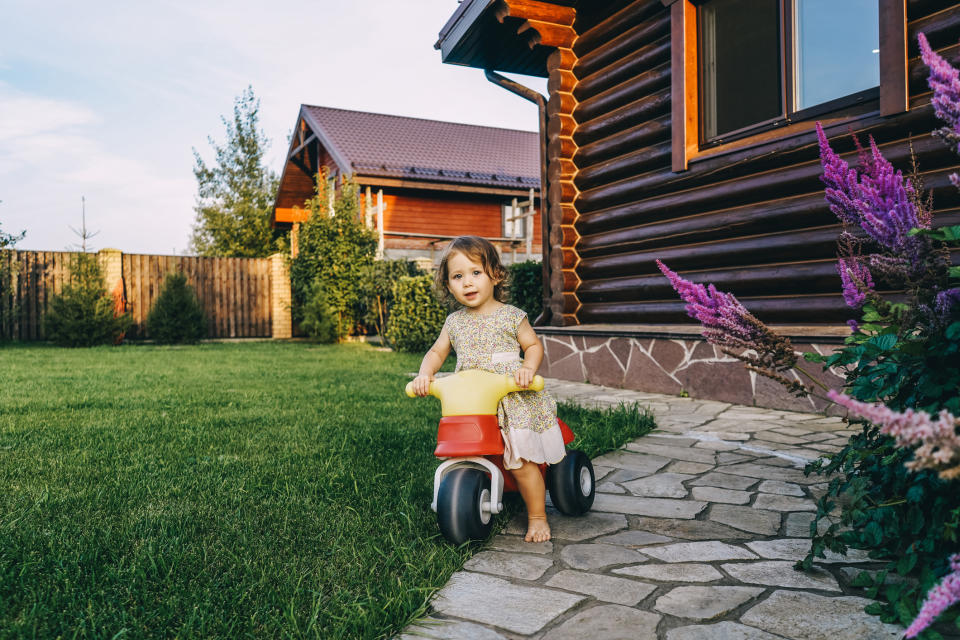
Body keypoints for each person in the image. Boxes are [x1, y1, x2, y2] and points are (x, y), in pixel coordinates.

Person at [411, 236, 566, 543]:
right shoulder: (454, 322)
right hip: (473, 402)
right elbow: (436, 353)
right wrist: (424, 375)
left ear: (496, 275)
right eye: (458, 277)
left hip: (510, 398)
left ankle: (537, 516)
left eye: (475, 273)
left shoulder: (511, 316)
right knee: (466, 452)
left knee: (519, 462)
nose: (467, 283)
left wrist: (527, 369)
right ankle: (467, 487)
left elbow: (533, 345)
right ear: (448, 285)